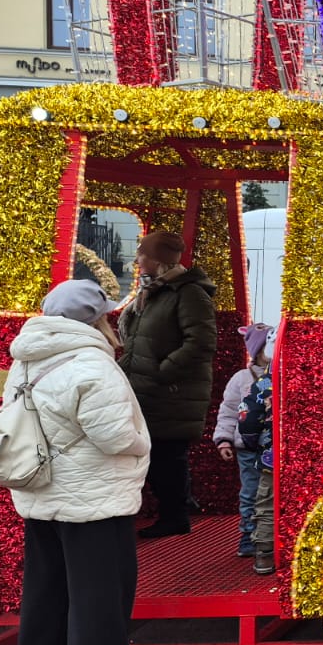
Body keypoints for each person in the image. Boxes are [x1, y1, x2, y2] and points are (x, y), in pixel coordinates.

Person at [5, 280, 150, 645]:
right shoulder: (92, 363)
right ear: (97, 318)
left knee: (45, 593)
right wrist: (142, 442)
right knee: (99, 597)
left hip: (39, 492)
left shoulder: (24, 359)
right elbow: (114, 436)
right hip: (94, 499)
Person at [117, 230, 217, 538]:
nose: (137, 260)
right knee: (159, 457)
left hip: (170, 391)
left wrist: (163, 372)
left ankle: (175, 517)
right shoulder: (154, 291)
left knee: (167, 458)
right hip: (150, 389)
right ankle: (173, 512)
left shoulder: (188, 293)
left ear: (157, 259)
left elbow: (201, 342)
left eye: (143, 254)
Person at [213, 323, 273, 558]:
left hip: (272, 447)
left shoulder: (282, 374)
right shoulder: (241, 379)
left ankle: (269, 533)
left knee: (270, 493)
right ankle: (248, 533)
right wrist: (224, 439)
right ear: (257, 351)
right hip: (248, 448)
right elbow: (228, 411)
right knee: (250, 491)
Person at [237, 365, 276, 575]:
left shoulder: (266, 381)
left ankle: (264, 555)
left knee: (267, 504)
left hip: (273, 455)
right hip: (314, 454)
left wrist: (253, 443)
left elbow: (248, 419)